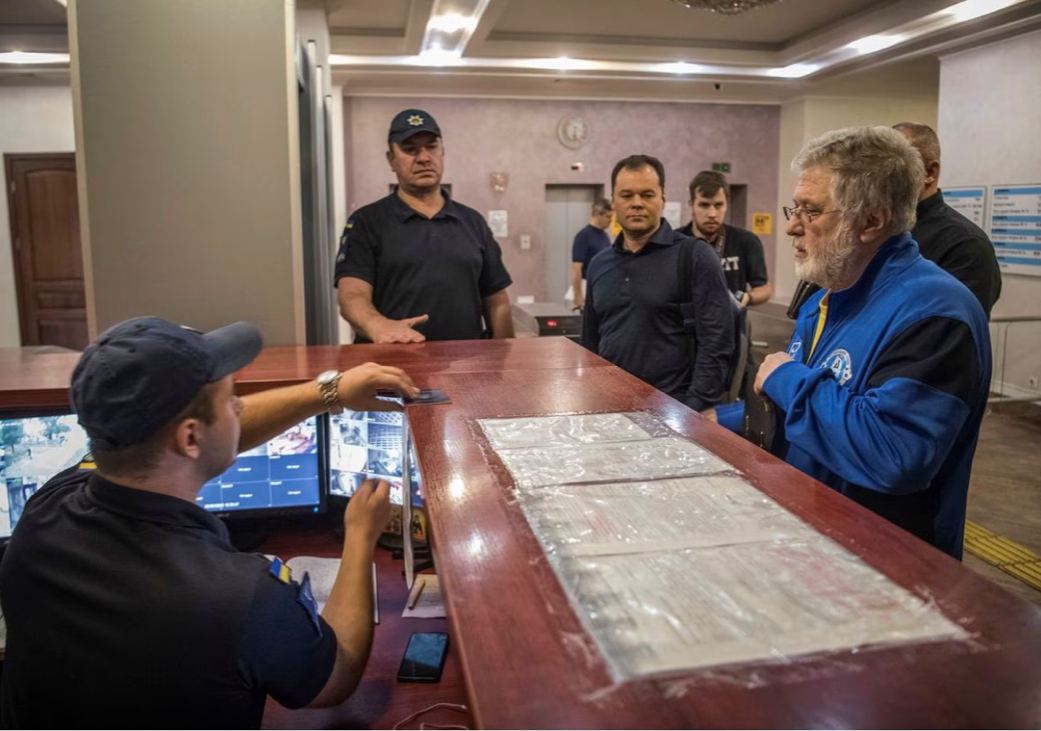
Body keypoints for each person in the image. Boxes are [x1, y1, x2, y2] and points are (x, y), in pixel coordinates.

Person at [0, 316, 420, 727]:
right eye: (230, 400)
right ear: (189, 438)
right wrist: (360, 534)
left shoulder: (45, 510)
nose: (241, 407)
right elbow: (335, 676)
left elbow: (193, 432)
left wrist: (329, 392)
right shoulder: (238, 597)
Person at [755, 126, 991, 559]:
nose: (792, 226)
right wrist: (714, 422)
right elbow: (805, 413)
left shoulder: (936, 313)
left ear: (871, 221)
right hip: (814, 543)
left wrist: (784, 378)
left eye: (810, 212)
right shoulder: (826, 300)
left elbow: (893, 455)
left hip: (890, 567)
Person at [335, 109, 513, 343]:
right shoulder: (366, 221)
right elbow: (351, 295)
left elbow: (497, 300)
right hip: (389, 368)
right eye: (410, 149)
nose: (423, 157)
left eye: (431, 147)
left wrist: (506, 363)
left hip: (466, 368)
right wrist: (377, 325)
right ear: (391, 160)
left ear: (443, 152)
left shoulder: (473, 221)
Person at [582, 154, 734, 412]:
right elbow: (591, 345)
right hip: (612, 410)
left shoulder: (694, 256)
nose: (637, 203)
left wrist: (693, 409)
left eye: (647, 195)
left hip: (674, 411)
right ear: (614, 202)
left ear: (662, 198)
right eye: (627, 195)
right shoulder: (599, 264)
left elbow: (717, 342)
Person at [893, 122, 1002, 317]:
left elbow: (951, 328)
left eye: (895, 168)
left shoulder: (966, 245)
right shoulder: (876, 231)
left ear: (930, 172)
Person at [678, 170, 772, 308]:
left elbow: (764, 289)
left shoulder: (746, 241)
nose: (712, 214)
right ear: (691, 204)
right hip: (685, 325)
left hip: (730, 324)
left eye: (718, 205)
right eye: (704, 205)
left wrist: (748, 298)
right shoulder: (675, 242)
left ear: (726, 204)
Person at [569, 198, 613, 310]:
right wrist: (578, 295)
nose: (610, 221)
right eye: (608, 217)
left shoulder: (605, 236)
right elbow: (576, 268)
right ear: (597, 214)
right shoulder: (583, 236)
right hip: (586, 286)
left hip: (602, 286)